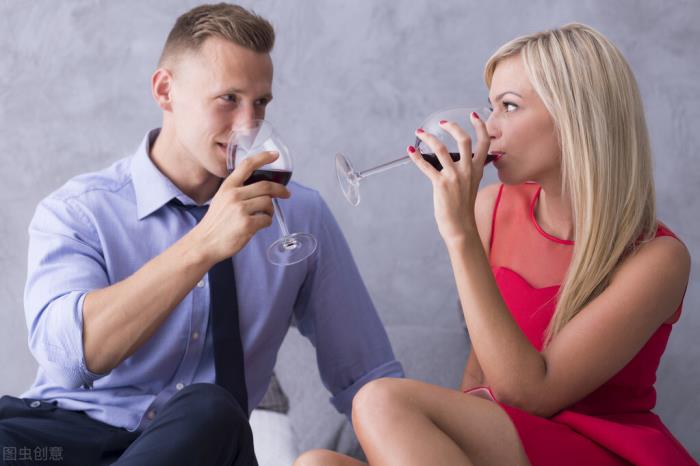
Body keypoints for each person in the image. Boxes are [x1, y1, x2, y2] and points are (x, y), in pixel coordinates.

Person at [0, 3, 403, 465]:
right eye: (229, 98)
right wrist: (203, 245)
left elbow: (368, 376)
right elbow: (70, 361)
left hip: (200, 444)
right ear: (165, 90)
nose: (249, 124)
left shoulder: (299, 216)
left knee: (212, 407)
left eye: (261, 103)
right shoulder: (80, 211)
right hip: (59, 441)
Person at [294, 23, 696, 466]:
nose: (488, 128)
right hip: (509, 441)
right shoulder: (494, 208)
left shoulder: (658, 258)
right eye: (491, 107)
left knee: (379, 401)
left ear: (574, 117)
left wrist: (459, 235)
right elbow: (480, 375)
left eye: (509, 106)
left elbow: (529, 394)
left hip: (597, 448)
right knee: (317, 464)